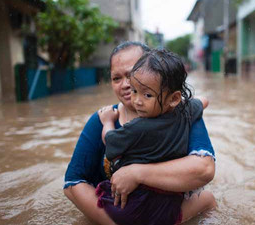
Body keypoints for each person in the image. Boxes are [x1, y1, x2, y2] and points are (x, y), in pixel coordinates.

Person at [64, 42, 216, 224]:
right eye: (116, 78)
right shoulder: (101, 119)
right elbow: (73, 183)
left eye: (132, 74)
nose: (126, 85)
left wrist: (137, 173)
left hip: (166, 211)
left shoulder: (182, 114)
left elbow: (204, 169)